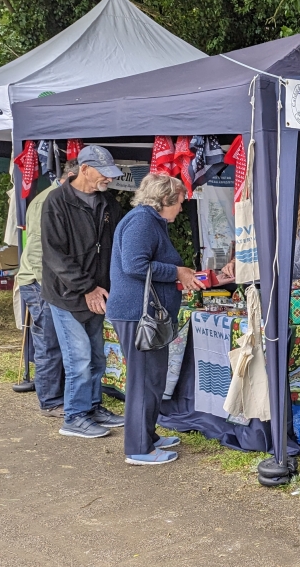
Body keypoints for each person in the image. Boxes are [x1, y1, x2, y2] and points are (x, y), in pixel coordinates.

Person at [108, 174, 203, 465]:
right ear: (164, 199)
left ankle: (147, 435)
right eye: (180, 202)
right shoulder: (142, 221)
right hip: (138, 314)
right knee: (144, 380)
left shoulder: (149, 220)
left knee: (153, 378)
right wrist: (177, 272)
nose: (182, 208)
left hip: (143, 313)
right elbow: (134, 265)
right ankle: (138, 448)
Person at [41, 144, 126, 439]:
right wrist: (87, 287)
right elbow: (54, 255)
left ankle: (92, 407)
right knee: (79, 358)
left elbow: (114, 248)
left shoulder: (108, 203)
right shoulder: (56, 201)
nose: (109, 179)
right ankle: (74, 417)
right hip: (66, 295)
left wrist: (107, 287)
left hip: (97, 292)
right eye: (104, 173)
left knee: (97, 357)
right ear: (85, 169)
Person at [17, 164, 74, 418]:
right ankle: (50, 401)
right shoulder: (48, 200)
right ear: (71, 177)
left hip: (49, 282)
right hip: (39, 282)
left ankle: (57, 396)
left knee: (55, 341)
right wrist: (46, 286)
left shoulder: (56, 197)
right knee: (49, 342)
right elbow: (37, 250)